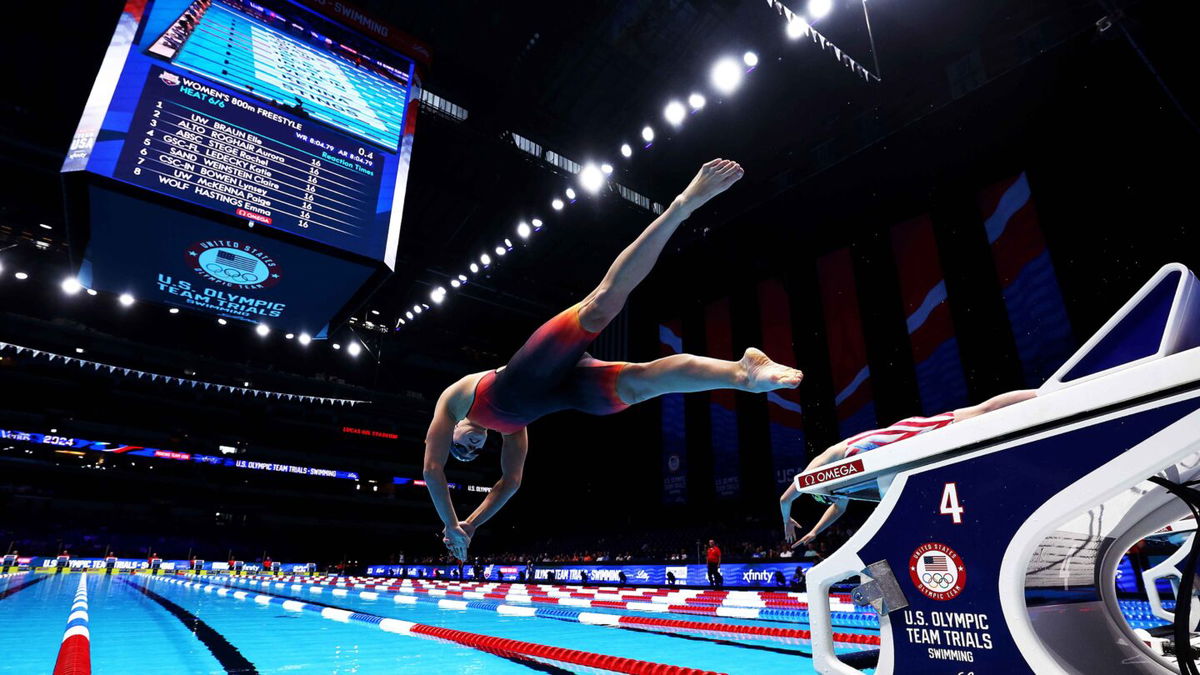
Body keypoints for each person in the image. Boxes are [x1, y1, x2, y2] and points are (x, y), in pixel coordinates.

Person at [423, 160, 805, 560]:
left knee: (602, 304)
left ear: (453, 431)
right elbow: (511, 483)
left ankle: (683, 204)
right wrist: (470, 525)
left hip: (532, 365)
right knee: (641, 384)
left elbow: (433, 472)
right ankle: (742, 373)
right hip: (567, 389)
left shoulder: (456, 397)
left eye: (460, 450)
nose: (469, 451)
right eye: (472, 455)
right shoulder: (515, 433)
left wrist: (449, 522)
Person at [779, 390, 1037, 545]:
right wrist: (814, 531)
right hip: (900, 452)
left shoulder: (821, 466)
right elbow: (838, 508)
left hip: (899, 436)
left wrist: (787, 518)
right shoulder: (843, 487)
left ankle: (1039, 396)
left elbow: (786, 496)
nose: (836, 496)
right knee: (974, 426)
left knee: (979, 412)